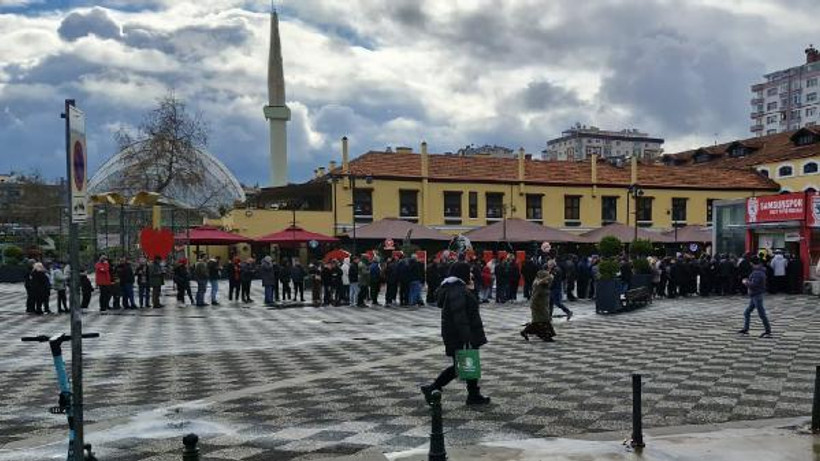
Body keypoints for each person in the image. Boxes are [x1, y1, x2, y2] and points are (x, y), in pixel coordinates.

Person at [420, 262, 490, 405]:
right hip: (460, 336)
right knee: (461, 365)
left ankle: (473, 395)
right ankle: (434, 387)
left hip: (459, 334)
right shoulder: (457, 290)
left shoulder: (457, 287)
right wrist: (467, 339)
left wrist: (471, 289)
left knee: (468, 363)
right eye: (468, 271)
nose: (471, 274)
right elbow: (460, 317)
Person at [738, 256, 772, 338]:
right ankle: (746, 328)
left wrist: (745, 282)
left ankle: (768, 330)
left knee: (761, 314)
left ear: (752, 263)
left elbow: (754, 285)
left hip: (756, 295)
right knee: (747, 312)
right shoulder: (760, 271)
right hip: (754, 295)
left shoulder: (757, 273)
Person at [520, 270, 556, 342]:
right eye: (546, 277)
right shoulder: (538, 284)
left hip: (543, 306)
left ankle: (526, 332)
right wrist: (535, 306)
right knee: (541, 321)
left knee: (540, 321)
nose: (548, 280)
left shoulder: (544, 284)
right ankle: (546, 336)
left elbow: (551, 279)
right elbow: (535, 297)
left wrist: (550, 275)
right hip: (537, 306)